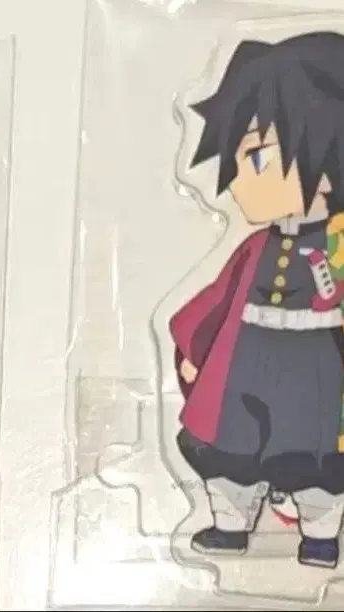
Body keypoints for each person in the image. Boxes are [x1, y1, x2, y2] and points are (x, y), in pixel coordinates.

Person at [171, 32, 344, 569]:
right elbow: (219, 300)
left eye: (259, 158)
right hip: (246, 364)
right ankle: (230, 524)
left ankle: (320, 534)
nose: (238, 182)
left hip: (318, 368)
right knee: (231, 445)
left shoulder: (339, 242)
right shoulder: (255, 247)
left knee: (315, 456)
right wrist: (195, 348)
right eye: (239, 158)